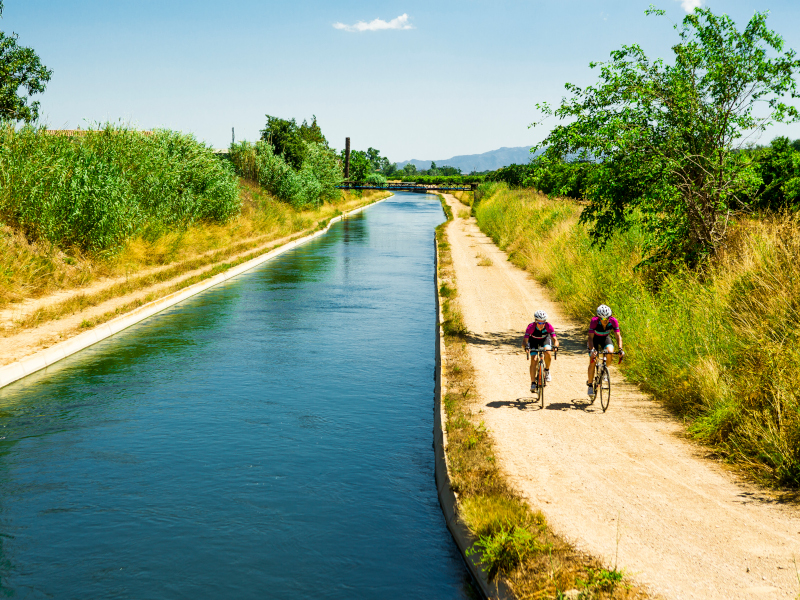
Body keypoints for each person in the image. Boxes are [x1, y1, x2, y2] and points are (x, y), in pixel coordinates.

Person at [587, 304, 624, 396]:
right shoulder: (594, 321)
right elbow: (590, 338)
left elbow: (618, 336)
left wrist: (620, 349)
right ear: (599, 318)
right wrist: (592, 349)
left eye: (607, 318)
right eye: (603, 319)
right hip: (594, 340)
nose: (605, 320)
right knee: (593, 360)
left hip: (605, 338)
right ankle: (590, 385)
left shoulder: (613, 321)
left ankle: (604, 371)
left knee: (610, 352)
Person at [522, 310, 559, 392]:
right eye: (539, 322)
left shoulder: (548, 326)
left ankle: (547, 370)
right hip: (533, 341)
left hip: (544, 340)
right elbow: (524, 341)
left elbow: (555, 340)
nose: (541, 325)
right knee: (534, 359)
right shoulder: (531, 327)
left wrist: (555, 346)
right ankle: (533, 383)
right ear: (535, 321)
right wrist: (526, 347)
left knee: (548, 352)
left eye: (543, 322)